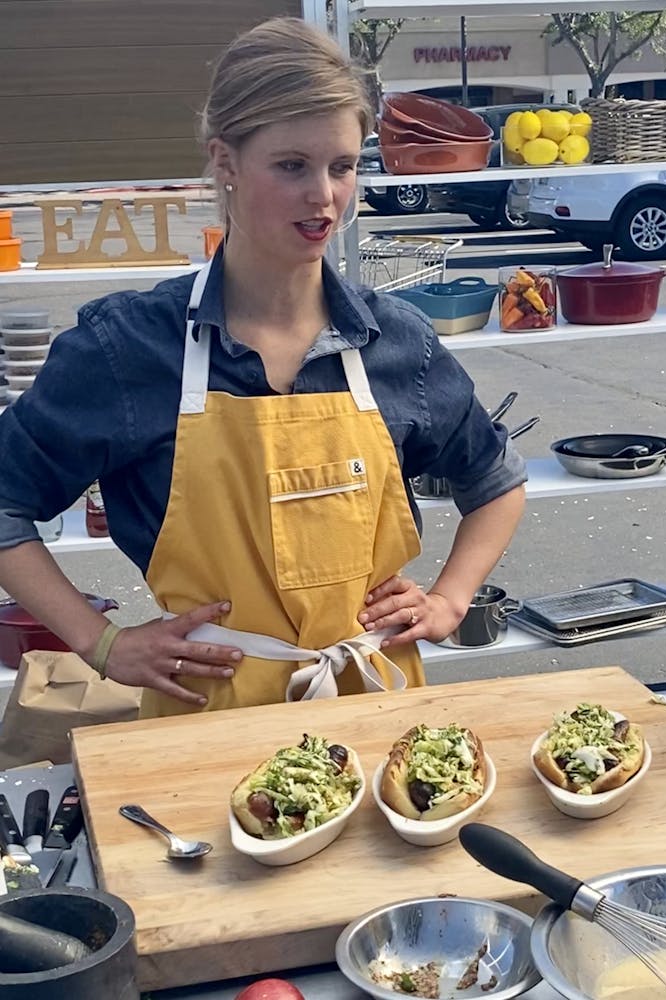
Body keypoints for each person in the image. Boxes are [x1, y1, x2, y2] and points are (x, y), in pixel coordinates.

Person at [0, 17, 526, 718]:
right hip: (205, 721)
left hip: (373, 704)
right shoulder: (128, 348)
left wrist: (449, 597)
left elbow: (495, 480)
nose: (325, 197)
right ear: (225, 162)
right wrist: (102, 644)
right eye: (292, 166)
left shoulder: (396, 342)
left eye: (342, 166)